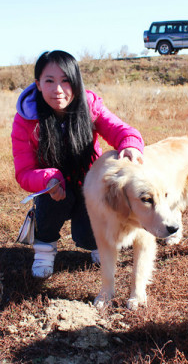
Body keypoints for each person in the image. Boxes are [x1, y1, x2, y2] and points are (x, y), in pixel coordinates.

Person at [11, 50, 144, 278]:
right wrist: (48, 179)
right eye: (49, 81)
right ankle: (44, 249)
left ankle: (99, 241)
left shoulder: (90, 106)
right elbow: (24, 172)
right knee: (50, 201)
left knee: (86, 236)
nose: (58, 90)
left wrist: (130, 144)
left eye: (66, 81)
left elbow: (121, 130)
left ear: (76, 82)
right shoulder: (25, 119)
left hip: (89, 187)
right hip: (54, 190)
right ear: (38, 84)